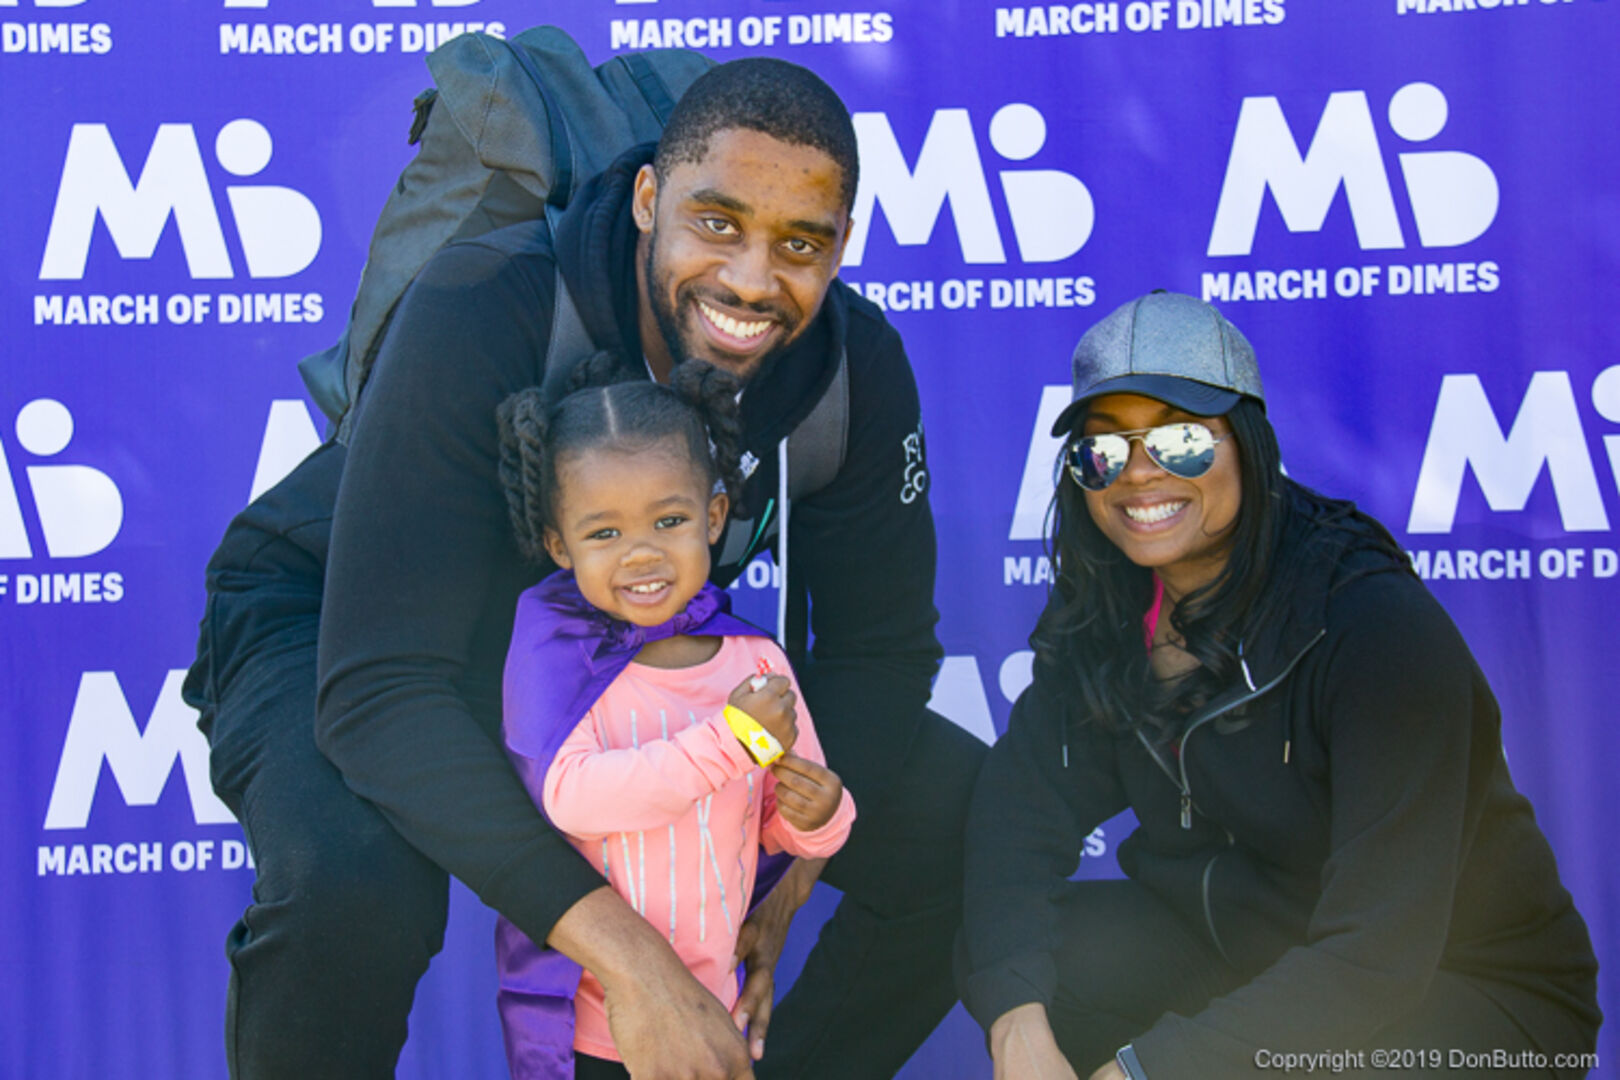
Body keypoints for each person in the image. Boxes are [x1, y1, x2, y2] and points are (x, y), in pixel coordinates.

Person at [183, 56, 984, 1080]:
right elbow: (379, 693)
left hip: (624, 659)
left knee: (965, 825)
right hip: (360, 631)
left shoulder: (851, 365)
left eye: (800, 244)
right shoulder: (490, 301)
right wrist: (637, 962)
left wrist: (778, 877)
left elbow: (882, 653)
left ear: (841, 249)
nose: (749, 279)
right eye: (718, 222)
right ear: (650, 198)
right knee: (353, 891)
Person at [957, 291, 1601, 1080]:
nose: (1139, 474)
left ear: (1249, 446)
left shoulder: (1371, 622)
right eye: (1102, 451)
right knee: (1025, 957)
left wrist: (1142, 1071)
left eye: (1183, 439)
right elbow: (1017, 817)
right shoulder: (1114, 607)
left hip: (1471, 994)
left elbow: (1378, 955)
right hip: (1254, 946)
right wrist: (1018, 1027)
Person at [492, 360, 856, 1078]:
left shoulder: (753, 660)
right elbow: (572, 798)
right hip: (594, 1025)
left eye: (670, 520)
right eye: (603, 534)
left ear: (714, 517)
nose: (642, 553)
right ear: (559, 546)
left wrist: (824, 816)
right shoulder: (556, 658)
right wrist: (728, 740)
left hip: (713, 1009)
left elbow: (786, 819)